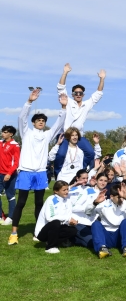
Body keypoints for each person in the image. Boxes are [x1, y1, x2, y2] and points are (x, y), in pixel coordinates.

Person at [8, 89, 67, 246]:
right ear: (33, 123)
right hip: (26, 172)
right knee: (21, 203)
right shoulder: (26, 132)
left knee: (40, 204)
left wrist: (63, 108)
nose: (41, 122)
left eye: (43, 120)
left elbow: (59, 124)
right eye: (38, 120)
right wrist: (29, 101)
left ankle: (38, 231)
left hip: (41, 173)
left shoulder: (47, 135)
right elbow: (22, 118)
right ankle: (14, 233)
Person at [55, 63, 106, 173]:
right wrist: (65, 73)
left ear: (83, 95)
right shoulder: (68, 101)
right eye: (76, 93)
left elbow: (98, 94)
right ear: (73, 94)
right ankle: (58, 173)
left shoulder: (86, 104)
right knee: (60, 154)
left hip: (78, 136)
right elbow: (60, 88)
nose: (78, 94)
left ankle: (80, 171)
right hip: (65, 135)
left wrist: (102, 79)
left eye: (80, 93)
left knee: (90, 153)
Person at [34, 181, 77, 254]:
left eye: (67, 189)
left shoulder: (68, 201)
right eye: (64, 190)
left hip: (56, 228)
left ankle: (56, 241)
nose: (67, 192)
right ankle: (50, 247)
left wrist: (71, 221)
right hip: (42, 232)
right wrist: (67, 219)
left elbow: (68, 215)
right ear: (56, 191)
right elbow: (50, 218)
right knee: (55, 222)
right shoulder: (51, 199)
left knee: (73, 230)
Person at [0, 125, 20, 225]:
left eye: (5, 132)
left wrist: (9, 173)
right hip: (0, 173)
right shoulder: (0, 143)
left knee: (10, 196)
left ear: (11, 134)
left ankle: (11, 217)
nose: (3, 133)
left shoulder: (15, 145)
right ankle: (0, 216)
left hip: (10, 174)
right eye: (2, 132)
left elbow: (16, 162)